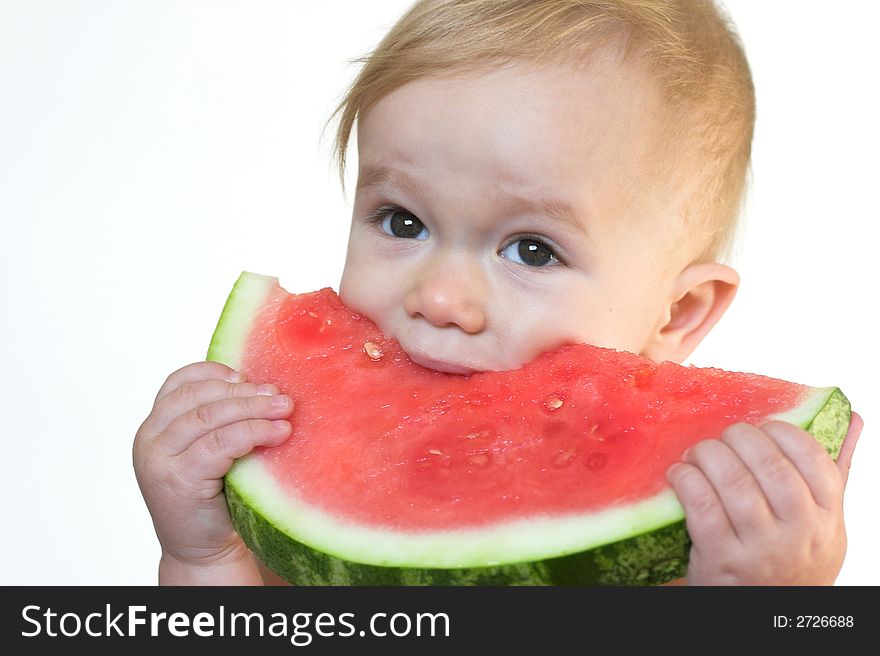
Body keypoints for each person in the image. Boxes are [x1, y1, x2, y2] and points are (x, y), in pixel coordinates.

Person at [133, 0, 862, 585]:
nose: (442, 297)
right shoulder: (304, 497)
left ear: (680, 312)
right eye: (402, 220)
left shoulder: (685, 533)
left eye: (532, 250)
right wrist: (207, 556)